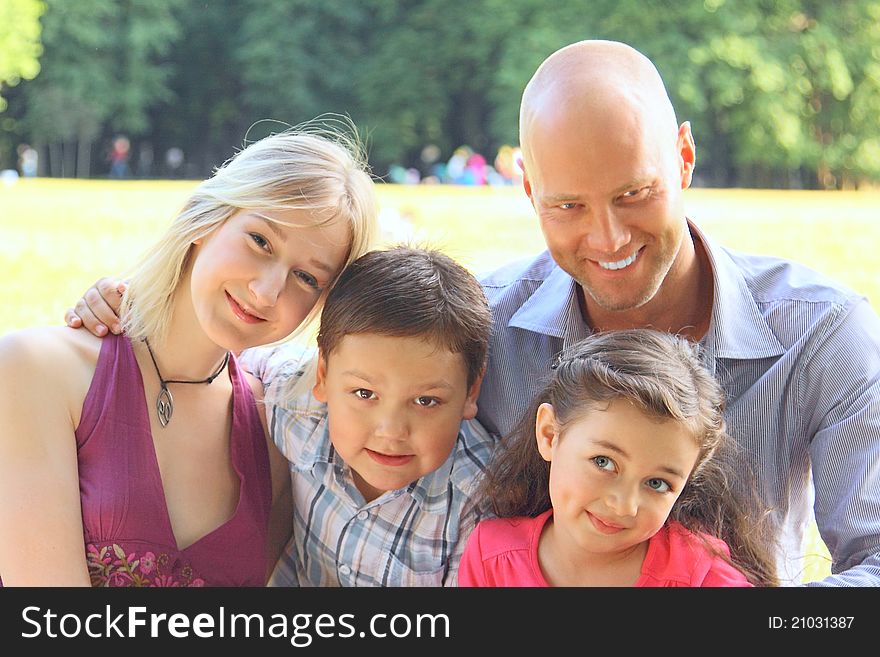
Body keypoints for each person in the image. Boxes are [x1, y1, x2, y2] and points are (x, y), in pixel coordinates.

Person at [475, 40, 880, 586]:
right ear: (529, 188)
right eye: (568, 206)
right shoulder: (482, 326)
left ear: (684, 156)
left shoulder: (823, 334)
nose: (608, 237)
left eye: (634, 193)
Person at [0, 125, 377, 586]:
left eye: (306, 278)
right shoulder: (37, 370)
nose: (266, 292)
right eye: (260, 241)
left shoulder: (275, 430)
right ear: (206, 218)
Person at [239, 246, 494, 586]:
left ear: (470, 392)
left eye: (426, 401)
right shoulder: (299, 411)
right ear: (323, 377)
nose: (391, 431)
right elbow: (240, 358)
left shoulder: (475, 501)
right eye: (365, 394)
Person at [459, 330, 777, 587]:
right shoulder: (491, 558)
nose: (624, 505)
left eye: (657, 483)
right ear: (550, 435)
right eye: (604, 462)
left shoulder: (705, 579)